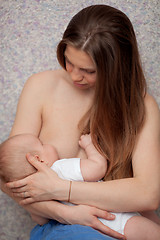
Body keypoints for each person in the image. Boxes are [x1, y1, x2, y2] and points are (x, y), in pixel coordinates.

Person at [1, 4, 160, 240]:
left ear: (115, 67)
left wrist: (62, 190)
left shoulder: (140, 105)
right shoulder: (40, 87)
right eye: (68, 61)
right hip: (60, 227)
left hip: (119, 225)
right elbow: (9, 178)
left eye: (88, 70)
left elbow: (147, 194)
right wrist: (65, 213)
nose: (74, 75)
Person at [1, 133, 160, 239]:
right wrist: (90, 146)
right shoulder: (60, 167)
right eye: (42, 144)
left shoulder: (35, 193)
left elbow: (39, 218)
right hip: (117, 221)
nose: (48, 144)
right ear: (39, 159)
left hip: (91, 230)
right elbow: (97, 168)